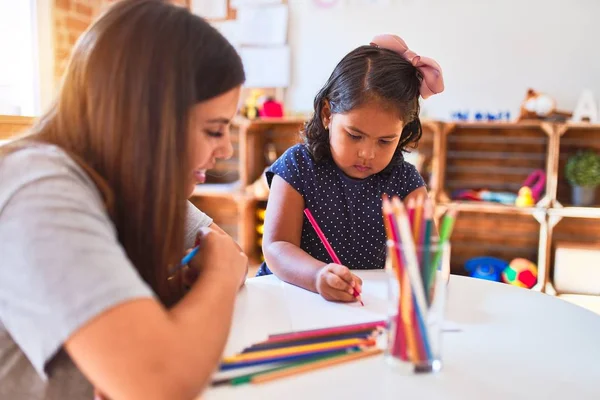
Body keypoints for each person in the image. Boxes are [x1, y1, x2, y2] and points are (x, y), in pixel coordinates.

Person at [0, 1, 248, 399]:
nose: (224, 151)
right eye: (214, 130)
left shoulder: (127, 180)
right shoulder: (38, 188)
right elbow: (159, 385)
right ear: (150, 118)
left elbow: (227, 249)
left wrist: (218, 266)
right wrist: (217, 272)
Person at [260, 34, 444, 303]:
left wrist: (424, 268)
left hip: (363, 305)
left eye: (385, 141)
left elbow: (427, 254)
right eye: (354, 135)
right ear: (327, 115)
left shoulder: (405, 181)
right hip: (293, 298)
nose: (367, 153)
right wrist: (318, 276)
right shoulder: (297, 167)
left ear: (403, 130)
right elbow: (277, 247)